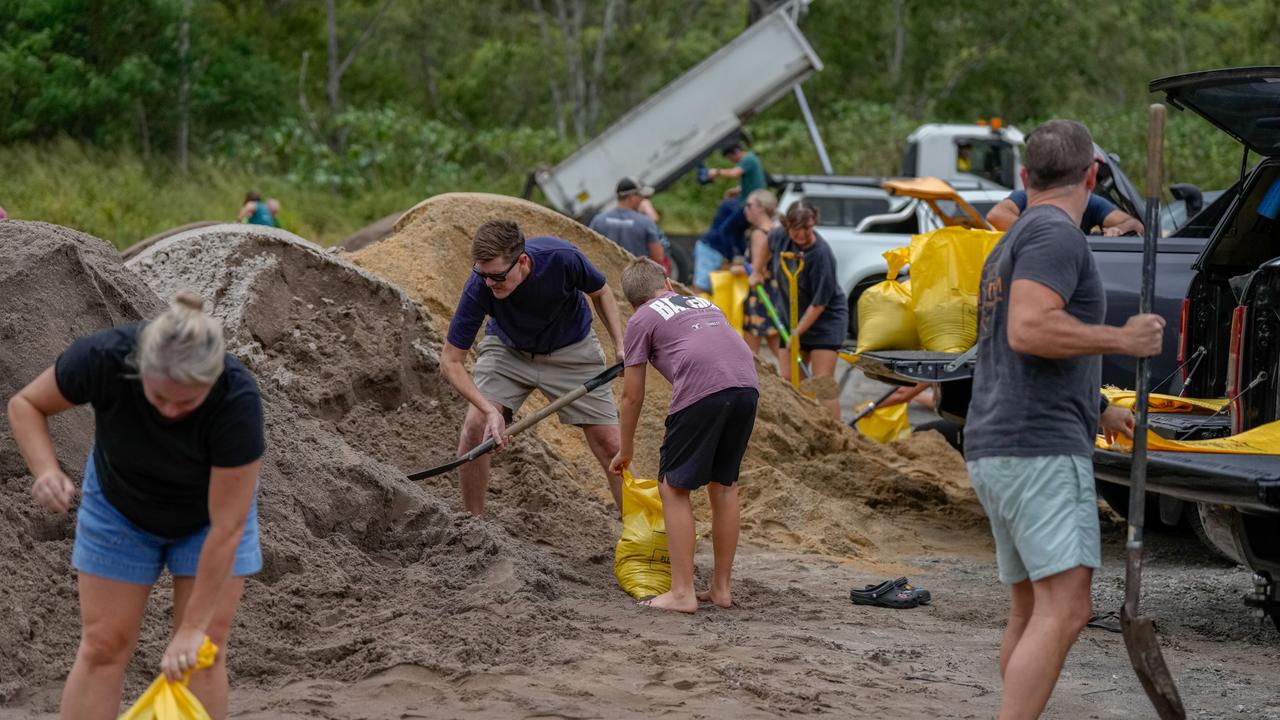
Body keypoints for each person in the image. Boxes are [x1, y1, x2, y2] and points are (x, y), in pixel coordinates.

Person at [964, 119, 1164, 719]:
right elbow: (1028, 329)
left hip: (1001, 441)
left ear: (1025, 178)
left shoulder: (1014, 238)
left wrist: (1100, 408)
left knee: (1029, 611)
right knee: (1067, 609)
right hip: (1038, 449)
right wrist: (1122, 339)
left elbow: (1015, 343)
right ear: (1094, 175)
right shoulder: (1057, 235)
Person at [6, 293, 265, 719]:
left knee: (202, 651)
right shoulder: (106, 357)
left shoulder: (236, 400)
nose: (169, 411)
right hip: (119, 507)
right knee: (104, 644)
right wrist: (46, 471)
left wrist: (192, 629)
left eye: (185, 402)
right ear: (140, 366)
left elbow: (227, 527)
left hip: (207, 521)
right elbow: (26, 405)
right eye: (159, 397)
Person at [441, 220, 626, 515]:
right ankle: (471, 526)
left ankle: (637, 540)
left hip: (572, 351)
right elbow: (450, 361)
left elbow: (601, 292)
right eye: (483, 274)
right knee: (475, 427)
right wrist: (490, 411)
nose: (490, 283)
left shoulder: (562, 258)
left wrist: (620, 344)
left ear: (522, 261)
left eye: (497, 276)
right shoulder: (480, 285)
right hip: (508, 350)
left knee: (612, 445)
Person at [610, 257, 759, 613]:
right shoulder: (703, 302)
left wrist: (625, 448)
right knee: (723, 486)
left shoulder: (641, 318)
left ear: (632, 302)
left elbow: (632, 396)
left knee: (673, 488)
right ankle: (721, 589)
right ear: (669, 284)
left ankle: (682, 593)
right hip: (746, 387)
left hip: (702, 391)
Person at [761, 200, 848, 420]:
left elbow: (819, 303)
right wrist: (756, 269)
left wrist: (797, 333)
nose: (801, 235)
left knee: (821, 384)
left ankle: (837, 436)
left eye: (807, 228)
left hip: (825, 321)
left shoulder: (821, 254)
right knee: (789, 381)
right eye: (796, 229)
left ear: (814, 223)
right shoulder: (780, 236)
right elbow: (767, 242)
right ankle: (802, 430)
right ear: (787, 225)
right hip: (791, 318)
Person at [986, 158, 1144, 236]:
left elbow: (1136, 224)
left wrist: (1120, 229)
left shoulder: (1090, 202)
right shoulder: (1026, 197)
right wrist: (1046, 233)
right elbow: (996, 216)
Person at [741, 189, 786, 368]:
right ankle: (795, 381)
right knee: (776, 341)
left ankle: (750, 380)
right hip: (773, 292)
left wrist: (738, 269)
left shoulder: (759, 233)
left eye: (749, 205)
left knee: (750, 349)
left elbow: (758, 268)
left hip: (760, 294)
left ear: (761, 208)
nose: (746, 209)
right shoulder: (774, 230)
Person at [589, 178, 667, 266]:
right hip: (635, 278)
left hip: (606, 277)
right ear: (631, 197)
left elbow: (590, 249)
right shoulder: (646, 222)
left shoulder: (598, 220)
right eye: (641, 196)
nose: (643, 199)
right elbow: (658, 257)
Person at [692, 198, 750, 294]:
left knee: (713, 286)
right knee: (702, 286)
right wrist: (730, 256)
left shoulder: (738, 205)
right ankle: (696, 308)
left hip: (714, 248)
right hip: (710, 247)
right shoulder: (741, 210)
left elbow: (738, 234)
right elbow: (725, 231)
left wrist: (743, 253)